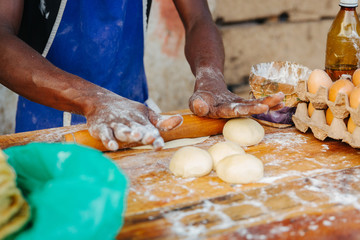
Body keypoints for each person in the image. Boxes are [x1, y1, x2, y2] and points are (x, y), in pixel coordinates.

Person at [0, 0, 284, 151]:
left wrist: (210, 76)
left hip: (138, 121)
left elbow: (199, 19)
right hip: (50, 126)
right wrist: (93, 100)